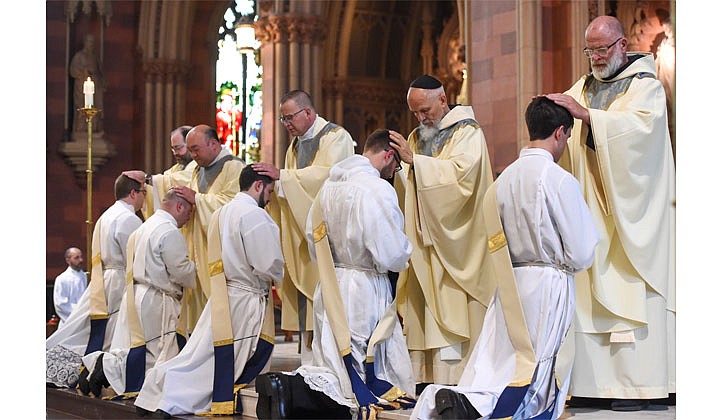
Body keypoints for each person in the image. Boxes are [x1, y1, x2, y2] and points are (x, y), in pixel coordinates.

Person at [411, 97, 599, 420]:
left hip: (511, 286)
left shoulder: (502, 181)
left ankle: (464, 402)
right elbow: (582, 251)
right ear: (560, 133)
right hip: (547, 285)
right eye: (567, 137)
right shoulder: (558, 180)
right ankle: (482, 410)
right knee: (533, 379)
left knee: (498, 364)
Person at [545, 15, 676, 411]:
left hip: (635, 215)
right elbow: (563, 117)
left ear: (622, 45)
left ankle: (640, 386)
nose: (596, 58)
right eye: (590, 51)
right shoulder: (584, 86)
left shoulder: (645, 86)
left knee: (633, 288)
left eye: (602, 49)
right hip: (594, 214)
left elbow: (643, 133)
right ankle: (595, 385)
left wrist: (589, 118)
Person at [255, 129, 414, 420]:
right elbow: (390, 251)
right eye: (396, 165)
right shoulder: (377, 189)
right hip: (364, 285)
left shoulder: (329, 186)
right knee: (359, 371)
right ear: (388, 155)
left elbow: (313, 236)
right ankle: (290, 388)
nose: (395, 172)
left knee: (333, 361)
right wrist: (407, 250)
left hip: (331, 283)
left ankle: (289, 389)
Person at [134, 165, 284, 418]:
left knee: (200, 353)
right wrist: (279, 273)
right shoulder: (255, 216)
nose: (269, 198)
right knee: (215, 361)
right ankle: (171, 399)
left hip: (224, 294)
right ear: (258, 186)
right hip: (245, 299)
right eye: (269, 191)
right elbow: (267, 262)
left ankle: (154, 390)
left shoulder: (221, 212)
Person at [388, 74, 495, 388]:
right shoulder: (417, 137)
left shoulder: (468, 133)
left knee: (456, 307)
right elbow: (409, 184)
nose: (421, 118)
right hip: (424, 241)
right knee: (425, 310)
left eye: (425, 111)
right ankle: (425, 376)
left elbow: (462, 178)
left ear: (443, 101)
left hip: (459, 240)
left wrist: (414, 163)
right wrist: (403, 169)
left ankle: (460, 378)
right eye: (415, 113)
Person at [252, 90, 354, 362]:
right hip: (304, 236)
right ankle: (311, 365)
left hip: (330, 239)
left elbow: (328, 178)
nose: (286, 124)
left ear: (308, 113)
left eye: (289, 117)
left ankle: (332, 364)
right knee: (309, 306)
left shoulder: (335, 137)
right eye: (282, 119)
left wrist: (282, 177)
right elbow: (293, 185)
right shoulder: (294, 146)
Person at [128, 124, 245, 333]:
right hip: (197, 252)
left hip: (221, 255)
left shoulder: (234, 168)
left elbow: (235, 208)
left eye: (195, 149)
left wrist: (198, 200)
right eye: (189, 150)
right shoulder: (198, 169)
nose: (192, 155)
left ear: (213, 144)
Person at [81, 189, 196, 399]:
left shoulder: (143, 227)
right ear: (179, 207)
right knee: (158, 351)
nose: (188, 220)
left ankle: (103, 368)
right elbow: (180, 270)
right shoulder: (169, 231)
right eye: (189, 213)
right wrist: (196, 270)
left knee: (136, 347)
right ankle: (142, 391)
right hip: (156, 298)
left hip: (135, 293)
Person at [46, 174, 145, 389]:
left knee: (87, 329)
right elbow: (136, 257)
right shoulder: (130, 219)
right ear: (133, 193)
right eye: (143, 193)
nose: (145, 200)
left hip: (104, 279)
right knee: (110, 333)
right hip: (120, 279)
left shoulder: (107, 215)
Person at [142, 125, 198, 220]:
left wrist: (147, 179)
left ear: (190, 144)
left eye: (178, 148)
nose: (175, 153)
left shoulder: (198, 166)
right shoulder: (178, 168)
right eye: (173, 149)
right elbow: (163, 180)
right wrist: (143, 187)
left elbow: (177, 180)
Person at [70, 33, 104, 132]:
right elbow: (73, 70)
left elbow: (100, 71)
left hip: (95, 86)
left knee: (95, 107)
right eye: (89, 42)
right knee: (81, 107)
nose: (91, 44)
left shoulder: (95, 57)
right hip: (82, 85)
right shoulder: (79, 56)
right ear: (85, 43)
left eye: (93, 42)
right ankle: (81, 128)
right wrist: (83, 72)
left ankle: (94, 128)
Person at [53, 247, 87, 325]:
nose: (81, 260)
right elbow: (60, 304)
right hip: (70, 321)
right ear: (68, 260)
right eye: (76, 258)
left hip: (85, 321)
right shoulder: (62, 279)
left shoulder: (85, 276)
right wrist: (79, 313)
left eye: (81, 257)